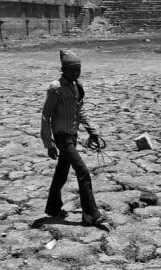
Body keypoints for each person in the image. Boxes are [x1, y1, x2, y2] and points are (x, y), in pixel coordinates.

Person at [40, 49, 106, 227]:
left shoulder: (76, 87)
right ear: (63, 69)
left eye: (78, 70)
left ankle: (53, 207)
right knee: (82, 171)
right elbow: (46, 116)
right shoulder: (56, 88)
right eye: (71, 70)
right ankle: (91, 214)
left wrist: (92, 131)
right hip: (62, 137)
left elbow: (80, 110)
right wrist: (49, 143)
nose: (75, 73)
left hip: (73, 135)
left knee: (62, 171)